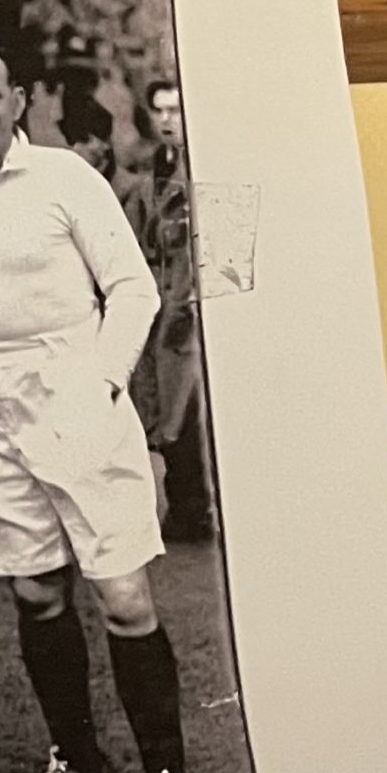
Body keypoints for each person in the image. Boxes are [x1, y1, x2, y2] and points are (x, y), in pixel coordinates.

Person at [0, 41, 239, 773]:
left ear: (16, 100)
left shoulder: (65, 179)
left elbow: (133, 290)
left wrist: (103, 388)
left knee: (123, 596)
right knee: (38, 594)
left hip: (78, 402)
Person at [120, 77, 214, 540]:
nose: (166, 120)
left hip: (193, 312)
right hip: (162, 309)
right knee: (166, 413)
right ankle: (185, 507)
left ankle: (198, 508)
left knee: (191, 410)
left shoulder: (209, 167)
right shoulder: (151, 174)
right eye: (159, 111)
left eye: (175, 110)